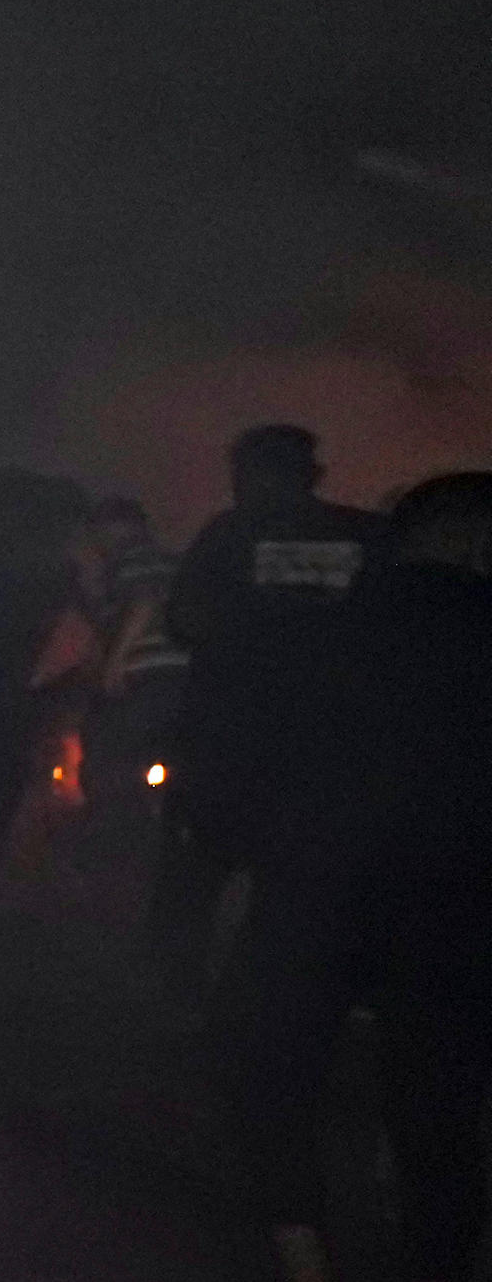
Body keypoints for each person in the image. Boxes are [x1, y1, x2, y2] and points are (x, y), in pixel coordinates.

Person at [224, 467, 492, 1282]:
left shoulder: (325, 628)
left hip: (316, 886)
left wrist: (253, 852)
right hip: (455, 899)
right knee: (439, 1100)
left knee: (274, 1074)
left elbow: (241, 752)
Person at [157, 420, 381, 981]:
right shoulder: (364, 536)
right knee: (297, 885)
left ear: (246, 475)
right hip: (326, 745)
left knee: (200, 868)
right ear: (313, 475)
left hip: (227, 741)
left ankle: (180, 984)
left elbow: (183, 621)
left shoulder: (228, 536)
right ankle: (272, 993)